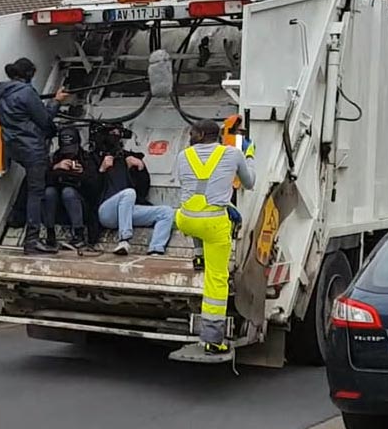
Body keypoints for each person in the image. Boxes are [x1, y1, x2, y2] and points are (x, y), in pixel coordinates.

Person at [175, 119, 256, 356]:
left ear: (200, 135)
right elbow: (249, 183)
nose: (190, 135)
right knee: (216, 279)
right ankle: (212, 339)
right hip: (212, 225)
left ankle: (198, 255)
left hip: (185, 220)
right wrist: (248, 155)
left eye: (192, 133)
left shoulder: (183, 155)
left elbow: (185, 184)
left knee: (194, 212)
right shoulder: (233, 154)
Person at [0, 57, 69, 255]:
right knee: (36, 193)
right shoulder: (27, 92)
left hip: (12, 148)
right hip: (32, 148)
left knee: (31, 186)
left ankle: (19, 220)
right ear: (28, 75)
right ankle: (32, 240)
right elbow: (44, 119)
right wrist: (56, 102)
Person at [97, 128, 174, 256]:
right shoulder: (97, 157)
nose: (115, 137)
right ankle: (124, 240)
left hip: (128, 211)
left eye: (118, 134)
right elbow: (90, 189)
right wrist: (102, 169)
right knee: (129, 193)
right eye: (112, 133)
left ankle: (156, 249)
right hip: (106, 211)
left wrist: (140, 168)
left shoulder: (130, 158)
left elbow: (143, 191)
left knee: (166, 211)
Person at [44, 126, 103, 248]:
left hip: (80, 206)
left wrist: (82, 173)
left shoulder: (86, 158)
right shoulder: (54, 158)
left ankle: (79, 234)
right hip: (57, 206)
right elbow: (42, 182)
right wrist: (56, 168)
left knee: (68, 192)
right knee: (49, 192)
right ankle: (50, 233)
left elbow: (95, 188)